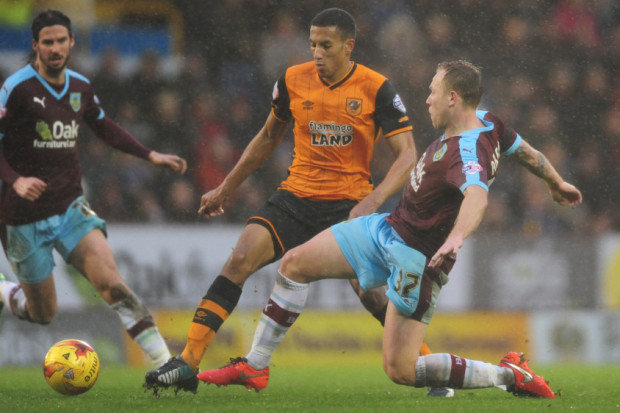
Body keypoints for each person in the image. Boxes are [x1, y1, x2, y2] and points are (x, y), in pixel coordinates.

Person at [197, 60, 583, 398]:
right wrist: (555, 181)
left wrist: (456, 237)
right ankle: (255, 366)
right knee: (294, 263)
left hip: (414, 259)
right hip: (386, 229)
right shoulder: (489, 122)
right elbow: (528, 153)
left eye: (433, 92)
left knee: (400, 369)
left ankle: (508, 375)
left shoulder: (467, 152)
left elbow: (477, 197)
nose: (427, 99)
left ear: (452, 98)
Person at [145, 7, 448, 395]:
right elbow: (268, 137)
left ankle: (427, 366)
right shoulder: (292, 80)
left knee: (370, 292)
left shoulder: (377, 88)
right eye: (312, 44)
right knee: (240, 259)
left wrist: (373, 200)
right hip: (295, 196)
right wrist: (226, 187)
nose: (316, 53)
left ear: (348, 46)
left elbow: (407, 155)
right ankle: (187, 361)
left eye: (326, 45)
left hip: (348, 205)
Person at [0, 10, 188, 367]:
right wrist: (16, 180)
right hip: (22, 217)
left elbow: (105, 127)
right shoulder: (17, 88)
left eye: (61, 41)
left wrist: (150, 155)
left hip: (70, 206)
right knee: (42, 312)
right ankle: (3, 289)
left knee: (113, 285)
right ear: (36, 46)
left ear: (71, 42)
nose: (55, 48)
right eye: (47, 42)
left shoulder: (81, 87)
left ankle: (167, 365)